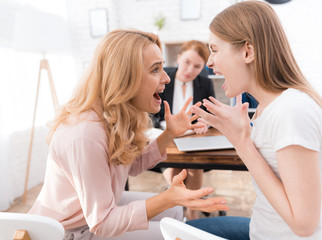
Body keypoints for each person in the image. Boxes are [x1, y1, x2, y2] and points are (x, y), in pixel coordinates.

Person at [27, 29, 229, 240]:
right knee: (173, 226)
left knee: (176, 212)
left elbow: (131, 165)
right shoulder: (85, 135)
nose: (167, 78)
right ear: (124, 78)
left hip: (93, 214)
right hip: (70, 232)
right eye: (155, 70)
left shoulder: (112, 118)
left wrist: (169, 133)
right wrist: (168, 198)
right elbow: (103, 224)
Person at [188, 1, 322, 240]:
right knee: (183, 228)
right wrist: (242, 134)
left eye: (215, 50)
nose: (209, 63)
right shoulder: (268, 108)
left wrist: (243, 143)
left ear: (247, 51)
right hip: (261, 229)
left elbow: (304, 225)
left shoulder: (292, 111)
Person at [152, 40, 215, 220]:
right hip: (167, 139)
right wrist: (169, 126)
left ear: (203, 67)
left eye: (197, 66)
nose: (190, 70)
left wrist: (205, 122)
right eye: (187, 62)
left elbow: (210, 112)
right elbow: (152, 115)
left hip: (193, 139)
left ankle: (191, 215)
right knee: (178, 173)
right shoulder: (163, 79)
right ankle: (184, 211)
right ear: (178, 58)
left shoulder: (205, 83)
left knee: (194, 166)